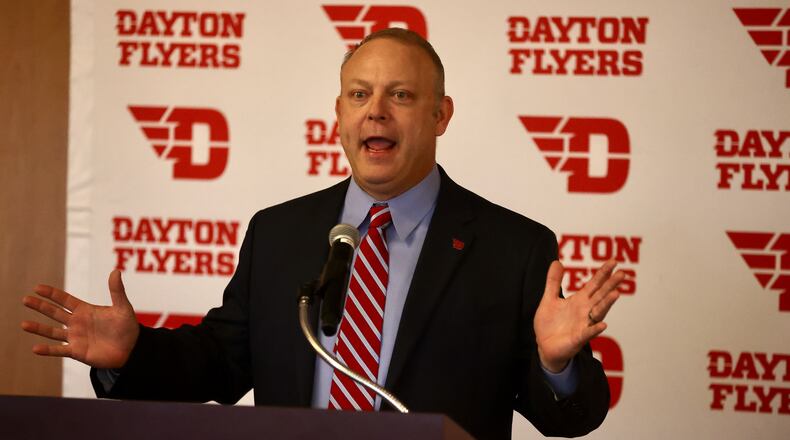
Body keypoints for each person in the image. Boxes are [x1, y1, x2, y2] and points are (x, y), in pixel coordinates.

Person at [22, 28, 623, 439]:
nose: (376, 111)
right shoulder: (279, 232)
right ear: (339, 114)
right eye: (359, 94)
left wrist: (555, 364)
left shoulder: (513, 248)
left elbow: (570, 417)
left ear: (441, 116)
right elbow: (222, 364)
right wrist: (135, 354)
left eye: (402, 96)